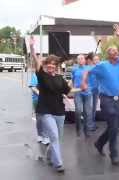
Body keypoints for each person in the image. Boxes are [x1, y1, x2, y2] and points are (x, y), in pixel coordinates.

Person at [82, 24, 119, 166]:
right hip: (106, 100)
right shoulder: (102, 65)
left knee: (113, 127)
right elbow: (87, 71)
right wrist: (84, 83)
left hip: (117, 99)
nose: (115, 53)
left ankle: (99, 143)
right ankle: (114, 154)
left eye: (117, 51)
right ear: (108, 55)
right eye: (112, 52)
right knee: (114, 125)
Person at [30, 37, 80, 173]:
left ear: (57, 66)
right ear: (46, 65)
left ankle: (49, 156)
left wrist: (82, 88)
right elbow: (36, 62)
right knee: (54, 136)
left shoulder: (60, 79)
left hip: (59, 112)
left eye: (54, 64)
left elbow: (68, 91)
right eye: (49, 64)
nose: (51, 66)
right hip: (45, 111)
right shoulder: (42, 75)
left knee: (57, 138)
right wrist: (32, 49)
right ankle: (58, 164)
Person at [72, 54, 93, 137]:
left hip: (87, 93)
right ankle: (78, 128)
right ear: (77, 60)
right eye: (79, 59)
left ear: (85, 60)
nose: (80, 60)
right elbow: (73, 79)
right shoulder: (74, 69)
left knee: (87, 113)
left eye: (82, 58)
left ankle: (86, 131)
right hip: (78, 92)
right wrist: (73, 88)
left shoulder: (89, 68)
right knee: (78, 111)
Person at [29, 73, 50, 145]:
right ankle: (40, 135)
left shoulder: (49, 75)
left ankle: (46, 136)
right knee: (39, 119)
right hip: (37, 100)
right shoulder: (35, 75)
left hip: (47, 100)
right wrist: (39, 93)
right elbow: (33, 87)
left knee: (46, 118)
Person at [86, 53, 99, 131]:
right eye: (95, 59)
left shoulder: (98, 67)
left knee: (94, 108)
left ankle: (92, 123)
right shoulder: (88, 67)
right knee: (90, 108)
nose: (97, 61)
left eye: (98, 59)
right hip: (89, 90)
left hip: (96, 90)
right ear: (92, 60)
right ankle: (89, 125)